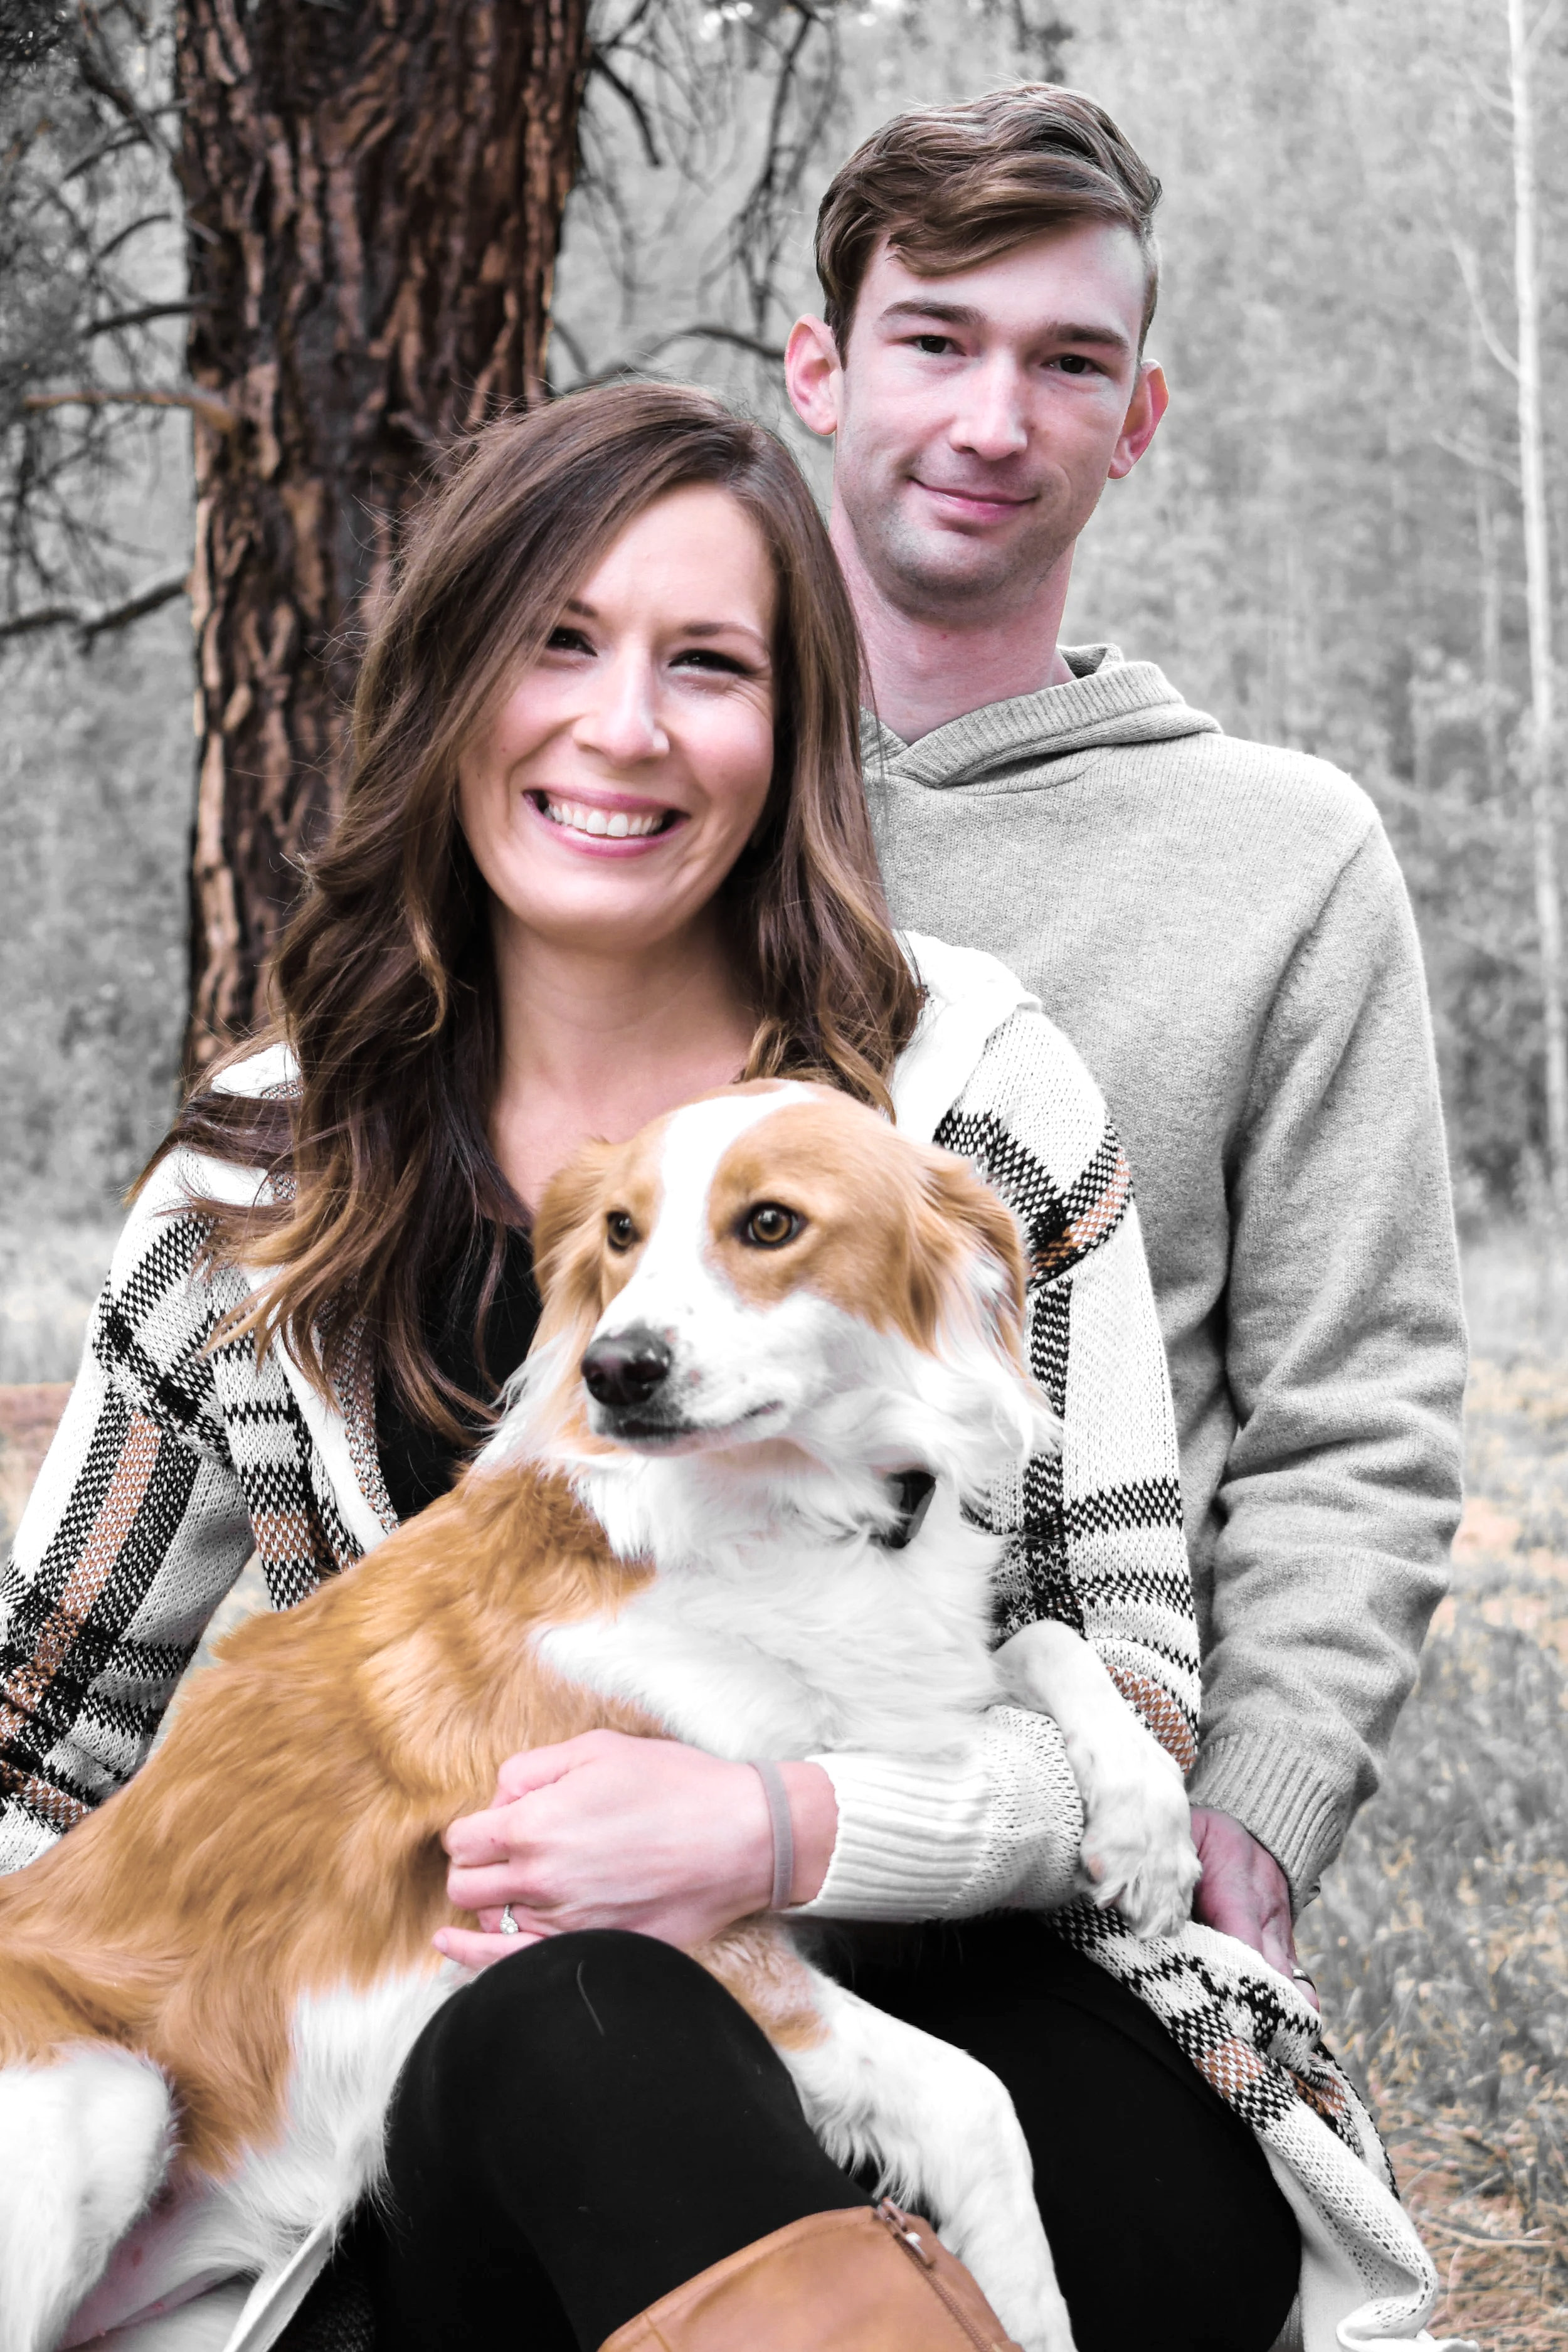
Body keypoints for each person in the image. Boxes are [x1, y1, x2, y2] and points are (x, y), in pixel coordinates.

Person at [3, 383, 1300, 2352]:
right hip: (475, 2088)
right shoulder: (252, 1177)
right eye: (556, 642)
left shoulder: (970, 1098)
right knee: (592, 2018)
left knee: (1168, 2217)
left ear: (787, 732)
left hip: (948, 1956)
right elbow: (44, 1732)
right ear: (450, 684)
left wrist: (780, 1831)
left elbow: (1123, 1675)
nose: (622, 727)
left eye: (706, 662)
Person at [783, 85, 1468, 1991]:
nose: (993, 421)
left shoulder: (1281, 854)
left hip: (1075, 1824)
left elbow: (1360, 1394)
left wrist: (1258, 1789)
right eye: (934, 340)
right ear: (820, 367)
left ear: (1137, 421)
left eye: (1067, 361)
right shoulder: (662, 804)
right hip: (676, 1769)